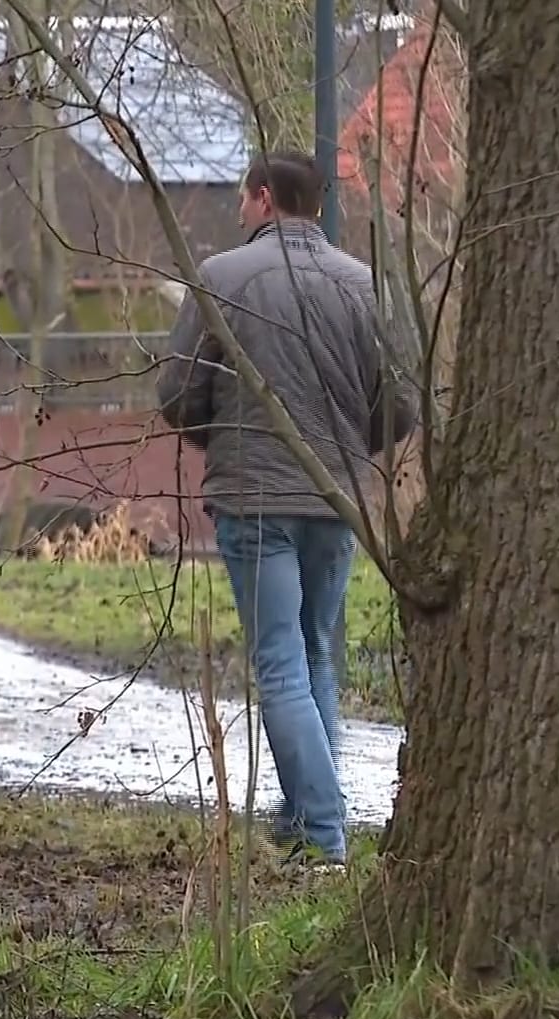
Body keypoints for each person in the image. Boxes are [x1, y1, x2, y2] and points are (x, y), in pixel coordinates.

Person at [156, 151, 419, 870]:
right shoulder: (364, 285)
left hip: (256, 498)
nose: (240, 212)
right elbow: (400, 404)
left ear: (264, 198)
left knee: (279, 662)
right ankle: (305, 817)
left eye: (244, 199)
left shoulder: (221, 279)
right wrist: (346, 451)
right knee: (314, 654)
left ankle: (325, 836)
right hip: (337, 501)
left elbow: (177, 393)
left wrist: (228, 436)